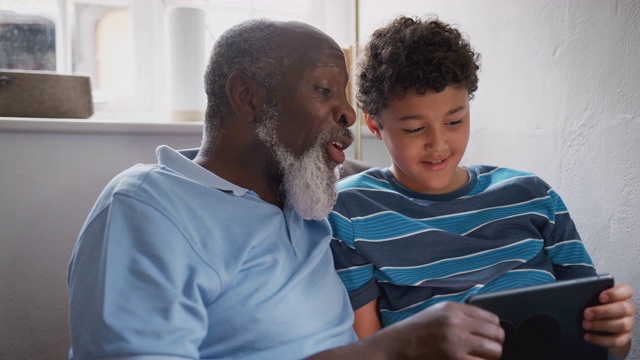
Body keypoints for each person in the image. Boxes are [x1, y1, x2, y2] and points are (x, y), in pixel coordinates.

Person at [67, 19, 507, 360]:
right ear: (247, 96)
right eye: (323, 90)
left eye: (347, 94)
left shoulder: (314, 196)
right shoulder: (149, 207)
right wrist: (390, 349)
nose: (350, 113)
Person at [329, 15, 635, 359]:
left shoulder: (533, 196)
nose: (439, 144)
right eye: (415, 128)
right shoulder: (351, 210)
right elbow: (369, 350)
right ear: (375, 123)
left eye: (455, 121)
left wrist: (617, 336)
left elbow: (605, 344)